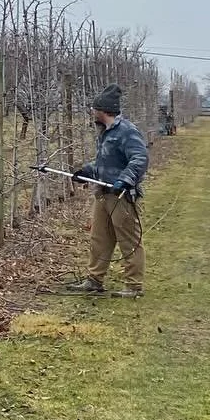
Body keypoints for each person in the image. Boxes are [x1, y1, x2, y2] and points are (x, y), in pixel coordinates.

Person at [70, 83, 149, 297]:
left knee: (129, 241)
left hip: (121, 196)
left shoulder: (127, 131)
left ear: (102, 110)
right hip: (102, 194)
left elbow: (139, 159)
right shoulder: (105, 132)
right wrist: (86, 172)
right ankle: (94, 280)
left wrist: (124, 180)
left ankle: (134, 286)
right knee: (99, 239)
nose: (92, 113)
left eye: (94, 109)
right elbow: (105, 164)